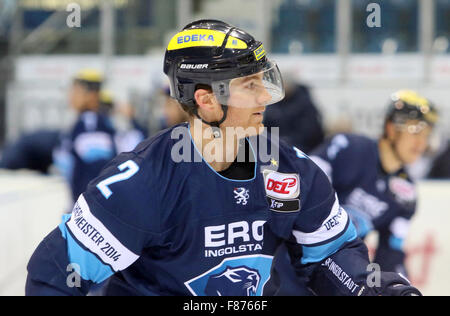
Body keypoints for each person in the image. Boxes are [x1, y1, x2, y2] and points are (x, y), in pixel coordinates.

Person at [26, 20, 420, 296]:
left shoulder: (289, 169)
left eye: (264, 81)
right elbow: (55, 276)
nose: (265, 97)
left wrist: (378, 290)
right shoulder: (142, 182)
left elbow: (330, 257)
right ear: (206, 99)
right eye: (250, 85)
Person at [309, 90, 438, 277]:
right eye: (415, 131)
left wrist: (394, 286)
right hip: (296, 251)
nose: (421, 143)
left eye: (426, 135)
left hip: (337, 270)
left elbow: (391, 254)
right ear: (392, 128)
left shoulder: (406, 193)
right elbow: (303, 185)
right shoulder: (348, 148)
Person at [52, 69, 116, 203]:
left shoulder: (90, 123)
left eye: (76, 91)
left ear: (91, 95)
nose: (71, 96)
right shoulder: (86, 122)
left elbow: (97, 171)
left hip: (90, 208)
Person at [263, 74, 324, 154]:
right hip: (277, 145)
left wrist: (286, 141)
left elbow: (310, 131)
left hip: (303, 147)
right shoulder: (274, 102)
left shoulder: (305, 103)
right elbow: (267, 126)